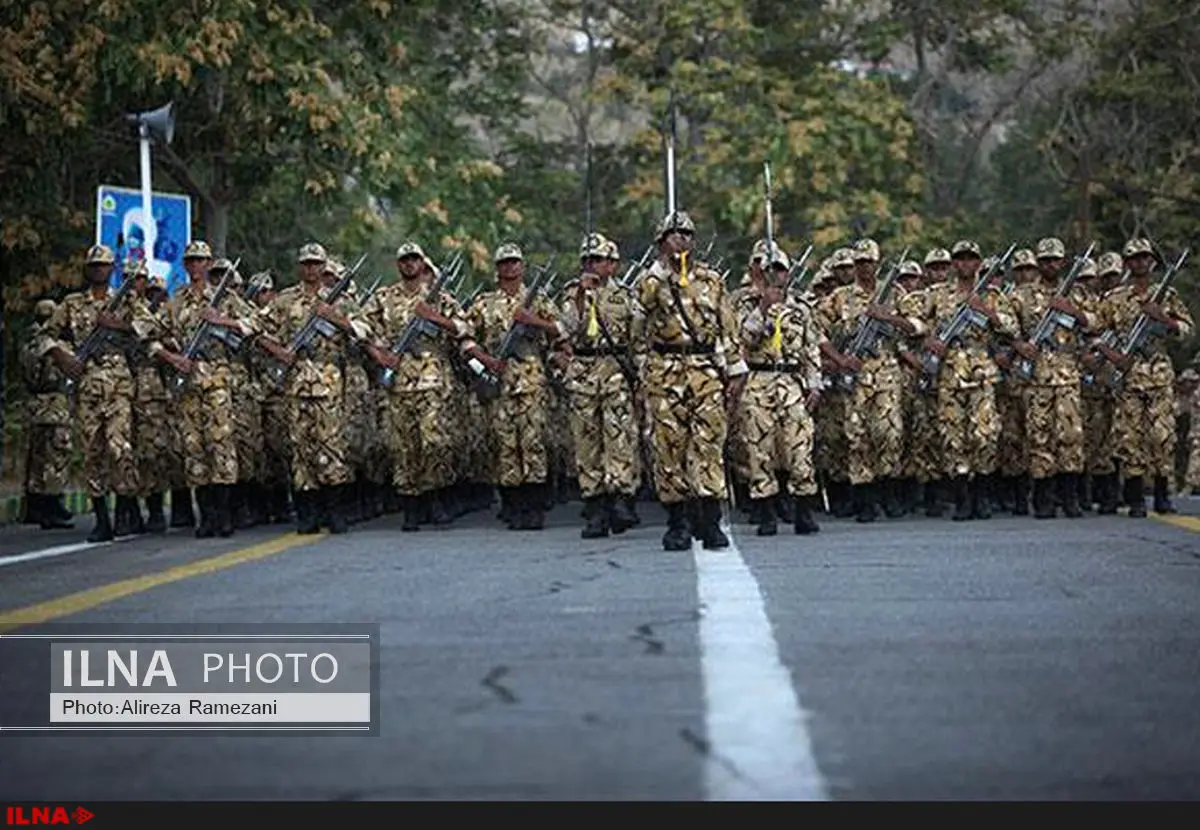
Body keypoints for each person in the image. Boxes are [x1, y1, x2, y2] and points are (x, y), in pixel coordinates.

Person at [633, 211, 747, 550]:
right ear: (661, 241)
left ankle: (710, 520)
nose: (682, 239)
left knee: (709, 443)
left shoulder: (711, 280)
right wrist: (643, 372)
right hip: (664, 368)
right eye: (674, 234)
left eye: (687, 234)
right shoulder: (650, 280)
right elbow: (636, 328)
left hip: (704, 368)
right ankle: (678, 522)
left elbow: (727, 324)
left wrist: (736, 369)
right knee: (669, 446)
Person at [362, 242, 482, 531]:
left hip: (433, 382)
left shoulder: (439, 297)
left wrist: (434, 317)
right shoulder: (384, 297)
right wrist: (378, 353)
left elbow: (465, 328)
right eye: (404, 260)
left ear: (422, 263)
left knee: (434, 443)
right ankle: (411, 506)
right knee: (404, 446)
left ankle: (435, 497)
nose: (409, 264)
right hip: (400, 382)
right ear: (398, 265)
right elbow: (360, 326)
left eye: (414, 259)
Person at [256, 243, 372, 534]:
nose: (311, 269)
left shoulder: (341, 300)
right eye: (306, 263)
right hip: (295, 381)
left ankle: (335, 511)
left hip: (329, 379)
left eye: (316, 264)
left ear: (324, 267)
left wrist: (336, 318)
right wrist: (278, 351)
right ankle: (308, 512)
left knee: (330, 444)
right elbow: (255, 328)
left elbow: (364, 331)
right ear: (300, 267)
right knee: (301, 446)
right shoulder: (285, 300)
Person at [465, 243, 564, 530]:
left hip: (532, 380)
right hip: (501, 383)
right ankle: (513, 503)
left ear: (522, 267)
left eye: (514, 263)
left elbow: (562, 329)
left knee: (532, 442)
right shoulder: (484, 304)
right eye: (504, 263)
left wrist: (533, 321)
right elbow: (466, 337)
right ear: (497, 269)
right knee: (506, 444)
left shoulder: (538, 301)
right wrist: (487, 361)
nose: (509, 268)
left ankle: (534, 506)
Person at [1095, 237, 1195, 516]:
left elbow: (1187, 331)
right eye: (1134, 258)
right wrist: (1114, 356)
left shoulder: (1167, 295)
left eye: (1144, 257)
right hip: (1128, 377)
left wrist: (1162, 317)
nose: (1140, 262)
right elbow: (1097, 335)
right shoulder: (1114, 299)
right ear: (1127, 264)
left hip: (1159, 376)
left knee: (1162, 436)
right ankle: (1135, 497)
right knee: (1130, 438)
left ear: (1152, 261)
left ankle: (1163, 494)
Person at [921, 240, 1019, 519]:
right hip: (950, 370)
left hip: (982, 371)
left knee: (984, 435)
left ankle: (982, 495)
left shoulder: (992, 294)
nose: (965, 263)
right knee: (953, 436)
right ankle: (962, 497)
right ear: (954, 263)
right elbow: (915, 324)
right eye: (960, 259)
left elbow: (1012, 328)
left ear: (978, 263)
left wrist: (986, 311)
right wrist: (929, 340)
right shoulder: (938, 295)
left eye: (971, 259)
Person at [557, 233, 641, 538]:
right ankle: (594, 508)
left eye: (598, 260)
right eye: (587, 260)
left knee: (619, 439)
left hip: (615, 372)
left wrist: (641, 377)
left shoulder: (626, 296)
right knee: (586, 443)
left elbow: (637, 338)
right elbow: (565, 328)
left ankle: (620, 500)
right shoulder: (571, 293)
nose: (592, 265)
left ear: (612, 264)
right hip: (583, 372)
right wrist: (581, 295)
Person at [736, 247, 823, 535]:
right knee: (760, 450)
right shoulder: (745, 304)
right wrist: (762, 308)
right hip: (759, 379)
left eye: (780, 269)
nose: (775, 275)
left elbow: (811, 348)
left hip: (791, 381)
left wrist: (814, 383)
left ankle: (803, 509)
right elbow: (743, 340)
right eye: (769, 269)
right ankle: (765, 512)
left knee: (799, 447)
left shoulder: (801, 308)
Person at [1009, 237, 1094, 518]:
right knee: (1039, 435)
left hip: (1067, 372)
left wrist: (1072, 311)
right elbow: (1006, 329)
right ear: (1037, 263)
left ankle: (1069, 496)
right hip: (1036, 376)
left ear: (1062, 262)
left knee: (1070, 435)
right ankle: (1044, 497)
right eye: (1044, 260)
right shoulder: (1021, 295)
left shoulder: (1077, 292)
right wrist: (1020, 345)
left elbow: (1097, 324)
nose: (1049, 265)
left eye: (1054, 260)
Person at [19, 299, 74, 530]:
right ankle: (52, 506)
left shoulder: (28, 342)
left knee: (37, 456)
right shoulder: (51, 344)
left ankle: (35, 506)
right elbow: (58, 373)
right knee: (55, 457)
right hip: (53, 404)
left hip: (34, 403)